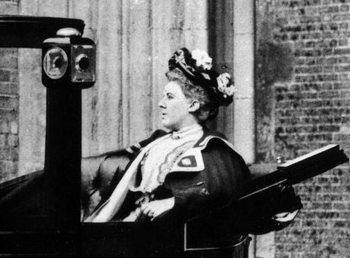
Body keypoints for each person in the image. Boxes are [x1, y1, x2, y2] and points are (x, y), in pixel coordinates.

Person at [86, 47, 248, 223]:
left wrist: (171, 202)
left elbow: (220, 189)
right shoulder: (158, 140)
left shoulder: (211, 146)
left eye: (169, 97)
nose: (161, 104)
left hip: (170, 236)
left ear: (193, 105)